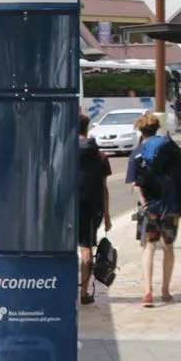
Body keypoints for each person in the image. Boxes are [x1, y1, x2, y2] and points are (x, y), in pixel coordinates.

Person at [126, 112, 179, 307]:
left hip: (150, 207)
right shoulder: (168, 149)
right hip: (171, 207)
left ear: (141, 130)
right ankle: (165, 290)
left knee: (149, 247)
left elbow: (136, 185)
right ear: (157, 128)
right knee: (168, 247)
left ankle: (148, 291)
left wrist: (145, 204)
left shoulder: (137, 153)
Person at [77, 112, 112, 304]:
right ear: (87, 127)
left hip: (68, 207)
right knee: (86, 247)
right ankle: (83, 293)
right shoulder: (100, 155)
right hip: (93, 206)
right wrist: (107, 215)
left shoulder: (64, 151)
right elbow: (104, 187)